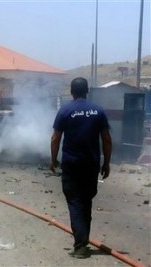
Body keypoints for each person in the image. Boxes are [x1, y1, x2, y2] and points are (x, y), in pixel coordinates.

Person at [50, 77, 112, 259]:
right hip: (91, 164)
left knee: (75, 202)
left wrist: (53, 160)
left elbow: (55, 138)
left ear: (71, 91)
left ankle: (80, 246)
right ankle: (83, 240)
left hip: (72, 164)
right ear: (87, 91)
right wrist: (106, 162)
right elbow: (107, 139)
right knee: (86, 202)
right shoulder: (98, 111)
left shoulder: (65, 110)